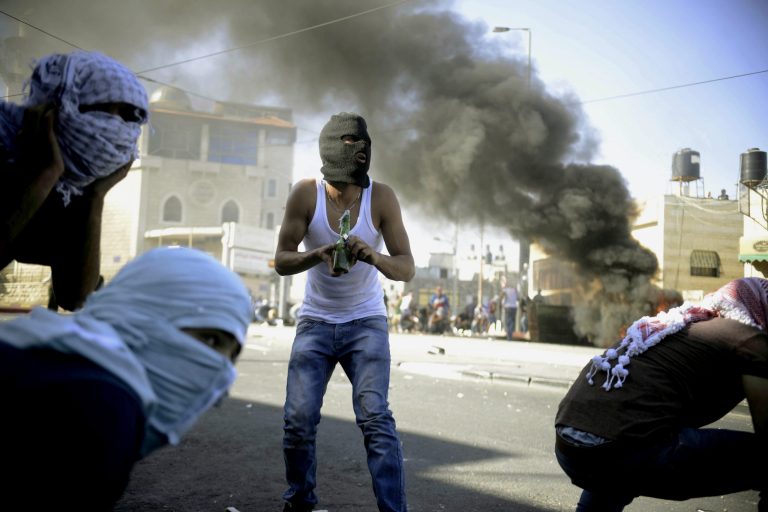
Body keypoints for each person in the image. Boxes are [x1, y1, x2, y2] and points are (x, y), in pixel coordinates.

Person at [0, 246, 252, 510]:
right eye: (211, 340)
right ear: (144, 311)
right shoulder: (99, 405)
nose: (222, 377)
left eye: (232, 356)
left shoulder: (39, 349)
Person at [274, 112, 414, 512]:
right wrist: (316, 254)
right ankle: (300, 501)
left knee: (375, 419)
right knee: (297, 421)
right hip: (316, 321)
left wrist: (373, 256)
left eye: (353, 184)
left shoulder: (381, 197)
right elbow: (282, 260)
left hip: (365, 321)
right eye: (338, 183)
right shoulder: (306, 194)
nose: (346, 192)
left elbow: (406, 267)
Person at [554, 277, 768, 511]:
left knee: (620, 453)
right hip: (623, 450)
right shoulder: (748, 339)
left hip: (569, 444)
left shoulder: (678, 325)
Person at [0, 50, 149, 310]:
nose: (114, 126)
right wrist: (43, 176)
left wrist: (94, 197)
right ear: (52, 110)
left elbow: (76, 296)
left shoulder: (70, 189)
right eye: (103, 110)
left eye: (128, 116)